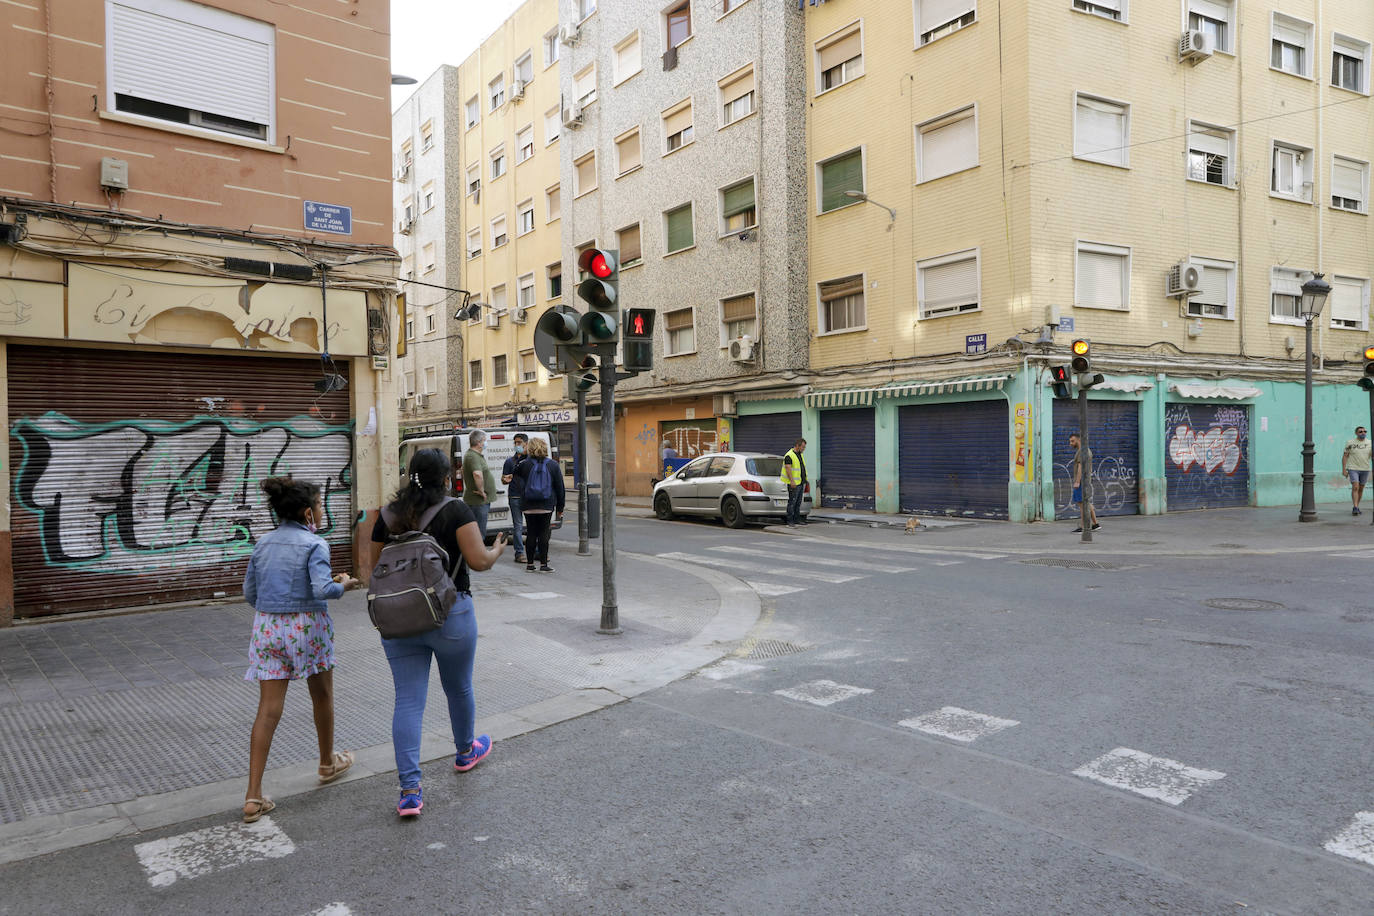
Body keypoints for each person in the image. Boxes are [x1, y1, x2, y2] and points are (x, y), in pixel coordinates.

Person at [370, 448, 506, 817]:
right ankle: (465, 752)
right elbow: (478, 562)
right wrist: (496, 550)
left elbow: (373, 569)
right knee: (458, 687)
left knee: (407, 701)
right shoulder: (456, 510)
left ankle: (410, 792)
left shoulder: (388, 515)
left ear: (410, 475)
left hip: (399, 620)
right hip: (451, 615)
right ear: (446, 478)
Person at [241, 476, 360, 824]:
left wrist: (276, 609)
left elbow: (250, 593)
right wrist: (344, 584)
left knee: (268, 710)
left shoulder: (262, 544)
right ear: (308, 513)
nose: (323, 511)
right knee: (322, 696)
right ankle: (326, 763)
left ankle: (252, 796)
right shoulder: (314, 544)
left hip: (267, 627)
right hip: (307, 627)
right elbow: (322, 589)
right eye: (320, 505)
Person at [515, 437, 565, 572]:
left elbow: (515, 475)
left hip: (529, 504)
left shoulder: (524, 464)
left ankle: (530, 564)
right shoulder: (553, 465)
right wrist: (560, 507)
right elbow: (560, 488)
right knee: (543, 534)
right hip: (546, 504)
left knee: (531, 533)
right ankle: (543, 564)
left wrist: (522, 456)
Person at [461, 428, 495, 538]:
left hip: (479, 502)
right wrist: (481, 491)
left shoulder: (474, 456)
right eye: (484, 440)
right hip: (478, 501)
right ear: (478, 443)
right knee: (479, 534)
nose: (486, 443)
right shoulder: (473, 456)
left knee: (478, 532)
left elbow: (463, 471)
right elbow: (477, 474)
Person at [502, 433, 529, 564]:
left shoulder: (530, 460)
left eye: (519, 442)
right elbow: (504, 479)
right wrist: (505, 479)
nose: (517, 445)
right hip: (514, 496)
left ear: (526, 444)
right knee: (518, 526)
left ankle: (535, 551)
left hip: (529, 497)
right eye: (515, 443)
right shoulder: (509, 462)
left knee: (532, 526)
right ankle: (519, 553)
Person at [1069, 432, 1101, 532]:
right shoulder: (1085, 450)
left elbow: (1080, 467)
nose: (1071, 443)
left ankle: (1083, 527)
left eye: (1072, 441)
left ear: (1079, 440)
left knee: (1082, 504)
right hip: (1085, 481)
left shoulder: (1082, 451)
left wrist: (1077, 482)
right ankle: (1095, 524)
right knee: (1086, 503)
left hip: (1082, 481)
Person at [1342, 425, 1371, 516]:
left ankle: (1357, 506)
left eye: (1365, 431)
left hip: (1365, 468)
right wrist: (1344, 470)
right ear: (1356, 433)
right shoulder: (1350, 443)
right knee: (1355, 487)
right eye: (1360, 432)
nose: (1363, 433)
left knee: (1361, 488)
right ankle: (1355, 507)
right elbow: (1345, 456)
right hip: (1353, 468)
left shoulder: (1370, 443)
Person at [781, 438, 807, 527]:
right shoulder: (789, 455)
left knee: (798, 503)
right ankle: (790, 521)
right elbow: (788, 469)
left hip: (800, 482)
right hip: (794, 483)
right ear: (797, 446)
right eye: (803, 447)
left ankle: (797, 519)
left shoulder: (799, 454)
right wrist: (792, 481)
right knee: (792, 502)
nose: (804, 449)